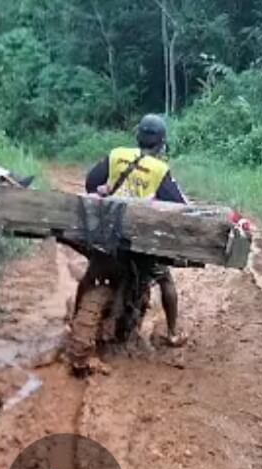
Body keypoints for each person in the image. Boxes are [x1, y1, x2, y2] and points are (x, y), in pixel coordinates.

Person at [80, 113, 187, 347]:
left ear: (137, 136)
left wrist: (109, 190)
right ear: (161, 143)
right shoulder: (159, 169)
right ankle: (172, 333)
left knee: (91, 272)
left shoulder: (117, 154)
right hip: (141, 240)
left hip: (108, 234)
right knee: (165, 280)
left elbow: (90, 183)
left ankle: (74, 317)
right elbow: (179, 207)